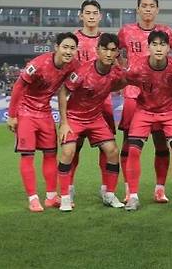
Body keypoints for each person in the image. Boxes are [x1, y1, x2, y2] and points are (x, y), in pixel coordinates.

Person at [7, 32, 80, 212]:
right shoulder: (39, 64)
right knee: (28, 155)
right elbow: (18, 86)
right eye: (65, 47)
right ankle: (32, 198)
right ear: (56, 47)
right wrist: (12, 115)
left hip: (45, 112)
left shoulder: (73, 66)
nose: (68, 51)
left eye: (72, 48)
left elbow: (70, 86)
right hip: (26, 112)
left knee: (50, 154)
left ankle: (50, 196)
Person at [56, 33, 127, 212]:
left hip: (95, 117)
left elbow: (122, 83)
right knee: (68, 151)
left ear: (117, 52)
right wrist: (64, 122)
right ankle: (65, 196)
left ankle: (109, 193)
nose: (109, 54)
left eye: (113, 50)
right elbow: (63, 92)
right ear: (97, 51)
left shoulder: (116, 71)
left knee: (112, 151)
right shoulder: (82, 71)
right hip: (74, 117)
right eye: (105, 49)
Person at [117, 0, 172, 203]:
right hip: (134, 95)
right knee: (129, 144)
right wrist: (124, 72)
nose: (148, 9)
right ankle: (128, 188)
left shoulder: (167, 32)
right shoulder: (126, 32)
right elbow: (115, 54)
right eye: (144, 5)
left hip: (162, 98)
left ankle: (160, 189)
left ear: (157, 9)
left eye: (152, 5)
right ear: (138, 9)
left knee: (162, 144)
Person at [123, 31, 172, 211]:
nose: (159, 48)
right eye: (155, 44)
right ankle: (133, 197)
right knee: (133, 151)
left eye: (162, 45)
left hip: (169, 112)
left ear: (168, 48)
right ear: (148, 47)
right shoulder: (137, 67)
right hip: (144, 111)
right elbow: (120, 80)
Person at [73, 0, 116, 201]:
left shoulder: (107, 41)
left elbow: (118, 68)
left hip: (103, 101)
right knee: (74, 146)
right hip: (77, 102)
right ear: (81, 15)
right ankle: (69, 187)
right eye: (87, 13)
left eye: (94, 13)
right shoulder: (73, 39)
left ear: (100, 16)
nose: (91, 16)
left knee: (106, 145)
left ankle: (106, 188)